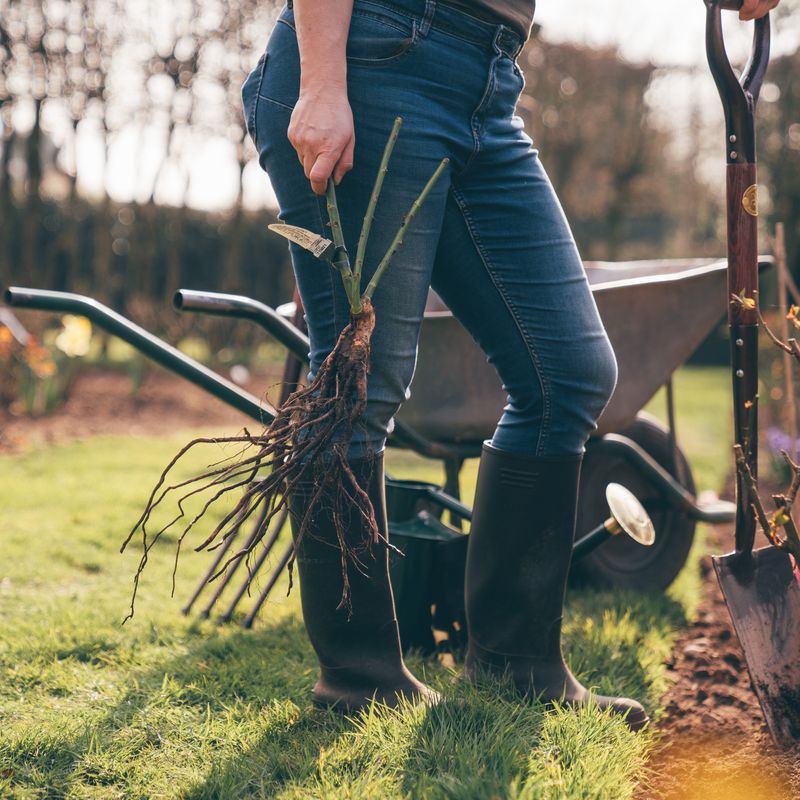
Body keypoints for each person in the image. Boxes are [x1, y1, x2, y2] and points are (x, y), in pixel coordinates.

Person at [241, 0, 778, 731]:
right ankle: (359, 675)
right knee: (358, 385)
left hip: (487, 81)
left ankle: (516, 661)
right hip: (375, 55)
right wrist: (322, 81)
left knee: (570, 371)